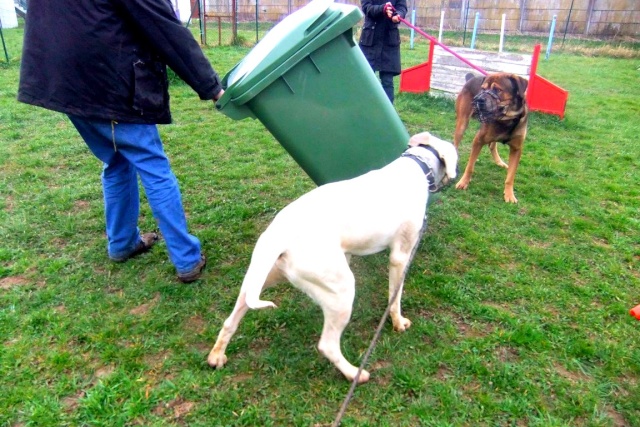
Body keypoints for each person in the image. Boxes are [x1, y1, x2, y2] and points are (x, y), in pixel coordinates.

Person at [18, 0, 225, 283]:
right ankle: (186, 258)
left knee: (115, 159)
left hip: (61, 80)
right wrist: (212, 88)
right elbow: (166, 30)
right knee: (153, 166)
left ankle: (122, 243)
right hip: (107, 83)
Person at [358, 0, 407, 104]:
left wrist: (398, 15)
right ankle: (362, 110)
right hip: (370, 40)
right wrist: (382, 9)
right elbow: (367, 7)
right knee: (366, 79)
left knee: (387, 81)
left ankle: (388, 117)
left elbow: (402, 7)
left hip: (389, 40)